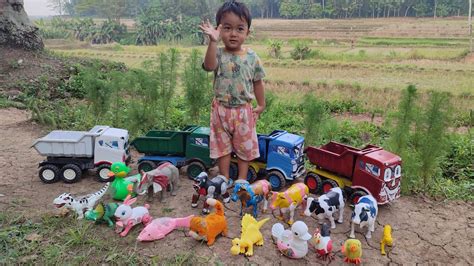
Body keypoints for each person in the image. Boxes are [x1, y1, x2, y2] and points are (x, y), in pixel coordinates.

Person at [199, 1, 266, 183]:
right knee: (222, 147)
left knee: (244, 147)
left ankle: (242, 180)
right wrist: (213, 42)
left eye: (239, 28)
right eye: (227, 28)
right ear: (219, 30)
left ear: (247, 32)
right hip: (220, 111)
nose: (233, 34)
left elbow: (258, 82)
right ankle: (224, 177)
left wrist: (261, 105)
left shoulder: (252, 57)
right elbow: (209, 66)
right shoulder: (218, 53)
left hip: (243, 111)